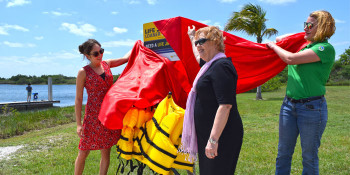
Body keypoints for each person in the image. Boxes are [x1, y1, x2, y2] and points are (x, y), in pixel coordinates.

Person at [267, 10, 336, 175]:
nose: (306, 28)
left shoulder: (324, 48)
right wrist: (303, 32)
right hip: (288, 106)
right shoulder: (304, 44)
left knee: (309, 156)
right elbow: (280, 39)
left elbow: (290, 59)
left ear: (322, 27)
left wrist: (272, 46)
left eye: (310, 25)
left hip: (312, 108)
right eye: (305, 24)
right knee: (283, 153)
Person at [181, 25, 244, 175]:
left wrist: (213, 140)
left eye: (201, 41)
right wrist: (192, 37)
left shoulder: (221, 66)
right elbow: (197, 55)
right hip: (208, 134)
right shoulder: (209, 65)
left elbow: (225, 106)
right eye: (196, 42)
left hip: (222, 137)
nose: (197, 45)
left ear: (215, 42)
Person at [74, 39, 131, 175]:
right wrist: (78, 124)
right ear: (88, 56)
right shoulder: (83, 72)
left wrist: (138, 44)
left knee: (106, 151)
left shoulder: (107, 64)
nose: (100, 55)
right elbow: (78, 99)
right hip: (93, 116)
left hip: (108, 114)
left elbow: (125, 59)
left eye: (101, 51)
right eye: (96, 53)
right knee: (83, 152)